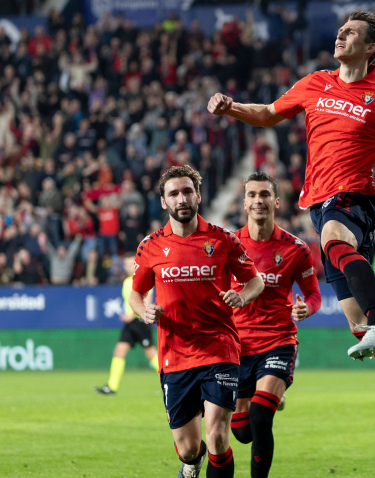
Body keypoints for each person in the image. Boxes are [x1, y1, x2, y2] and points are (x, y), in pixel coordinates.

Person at [207, 11, 375, 467]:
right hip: (319, 206)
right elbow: (269, 114)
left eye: (351, 32)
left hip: (353, 199)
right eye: (341, 29)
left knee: (338, 241)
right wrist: (232, 108)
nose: (340, 35)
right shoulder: (315, 82)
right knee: (358, 324)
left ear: (372, 46)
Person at [130, 165, 265, 478]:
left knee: (218, 435)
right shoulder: (150, 246)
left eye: (187, 191)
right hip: (174, 355)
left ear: (199, 195)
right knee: (189, 448)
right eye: (174, 193)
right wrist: (144, 311)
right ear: (163, 202)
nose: (182, 198)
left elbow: (255, 281)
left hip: (219, 349)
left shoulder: (223, 240)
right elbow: (136, 294)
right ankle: (193, 460)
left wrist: (242, 297)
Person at [229, 171, 322, 478]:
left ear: (277, 202)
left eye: (265, 194)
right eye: (253, 195)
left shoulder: (295, 248)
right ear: (244, 203)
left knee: (259, 416)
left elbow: (313, 294)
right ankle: (272, 397)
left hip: (278, 340)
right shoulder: (229, 246)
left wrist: (305, 309)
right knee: (242, 431)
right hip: (238, 347)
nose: (259, 200)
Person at [95, 254, 159, 395]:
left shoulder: (143, 279)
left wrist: (134, 314)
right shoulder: (126, 281)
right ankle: (111, 387)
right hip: (130, 324)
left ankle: (168, 383)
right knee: (119, 351)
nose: (127, 267)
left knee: (151, 354)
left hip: (141, 321)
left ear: (136, 265)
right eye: (125, 264)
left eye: (130, 264)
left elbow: (147, 300)